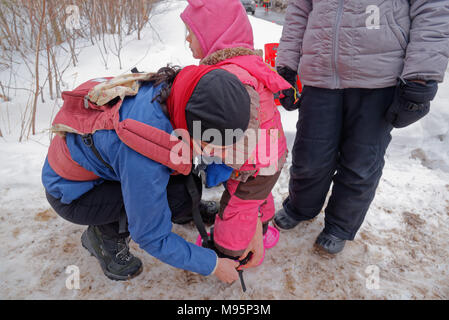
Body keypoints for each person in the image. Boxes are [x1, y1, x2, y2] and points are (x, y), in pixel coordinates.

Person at [42, 65, 256, 283]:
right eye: (210, 143)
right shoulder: (142, 148)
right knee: (160, 203)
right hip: (75, 194)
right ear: (193, 126)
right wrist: (214, 264)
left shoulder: (181, 95)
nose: (217, 152)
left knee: (184, 186)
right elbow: (151, 235)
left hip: (109, 168)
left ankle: (183, 211)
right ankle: (103, 236)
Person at [274, 0, 449, 254]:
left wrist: (420, 78)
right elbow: (299, 11)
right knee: (309, 157)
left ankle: (340, 226)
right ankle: (301, 207)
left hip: (379, 80)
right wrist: (286, 67)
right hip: (319, 76)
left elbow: (432, 9)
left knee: (360, 164)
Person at [180, 0, 290, 267]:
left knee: (235, 208)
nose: (186, 39)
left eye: (192, 33)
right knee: (258, 196)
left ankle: (228, 251)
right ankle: (263, 230)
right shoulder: (243, 63)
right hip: (269, 158)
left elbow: (244, 134)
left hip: (252, 165)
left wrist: (205, 147)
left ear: (213, 34)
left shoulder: (231, 77)